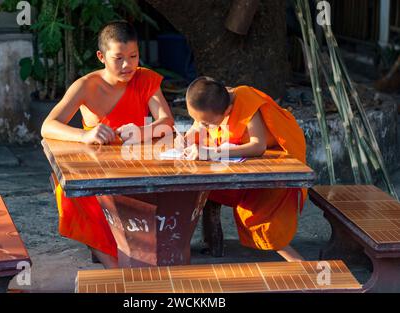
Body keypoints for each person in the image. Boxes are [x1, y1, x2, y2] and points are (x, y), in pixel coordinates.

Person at [41, 21, 174, 268]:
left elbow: (166, 122)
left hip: (135, 164)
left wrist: (140, 132)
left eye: (133, 56)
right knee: (75, 193)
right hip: (96, 167)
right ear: (101, 57)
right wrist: (84, 136)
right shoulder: (86, 85)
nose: (128, 65)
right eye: (119, 58)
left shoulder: (145, 79)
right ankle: (116, 269)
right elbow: (48, 126)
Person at [176, 76, 307, 262]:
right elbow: (198, 124)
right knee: (199, 187)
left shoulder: (245, 101)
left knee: (259, 218)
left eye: (207, 124)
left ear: (228, 111)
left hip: (276, 162)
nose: (201, 126)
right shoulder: (213, 104)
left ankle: (301, 264)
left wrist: (212, 152)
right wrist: (186, 138)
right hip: (243, 164)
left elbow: (258, 146)